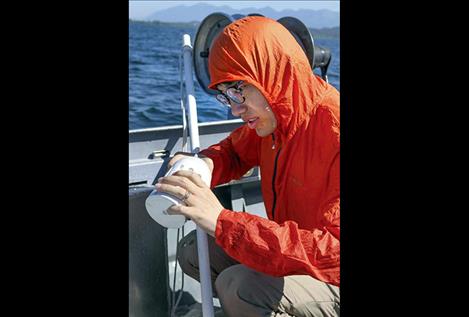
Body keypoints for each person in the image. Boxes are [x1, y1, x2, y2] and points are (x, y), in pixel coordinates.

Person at [156, 16, 340, 317]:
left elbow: (333, 251)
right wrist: (203, 163)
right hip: (295, 252)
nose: (234, 108)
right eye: (226, 94)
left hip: (332, 270)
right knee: (194, 252)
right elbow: (233, 153)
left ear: (273, 75)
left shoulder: (333, 127)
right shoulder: (275, 119)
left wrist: (223, 222)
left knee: (239, 288)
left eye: (240, 90)